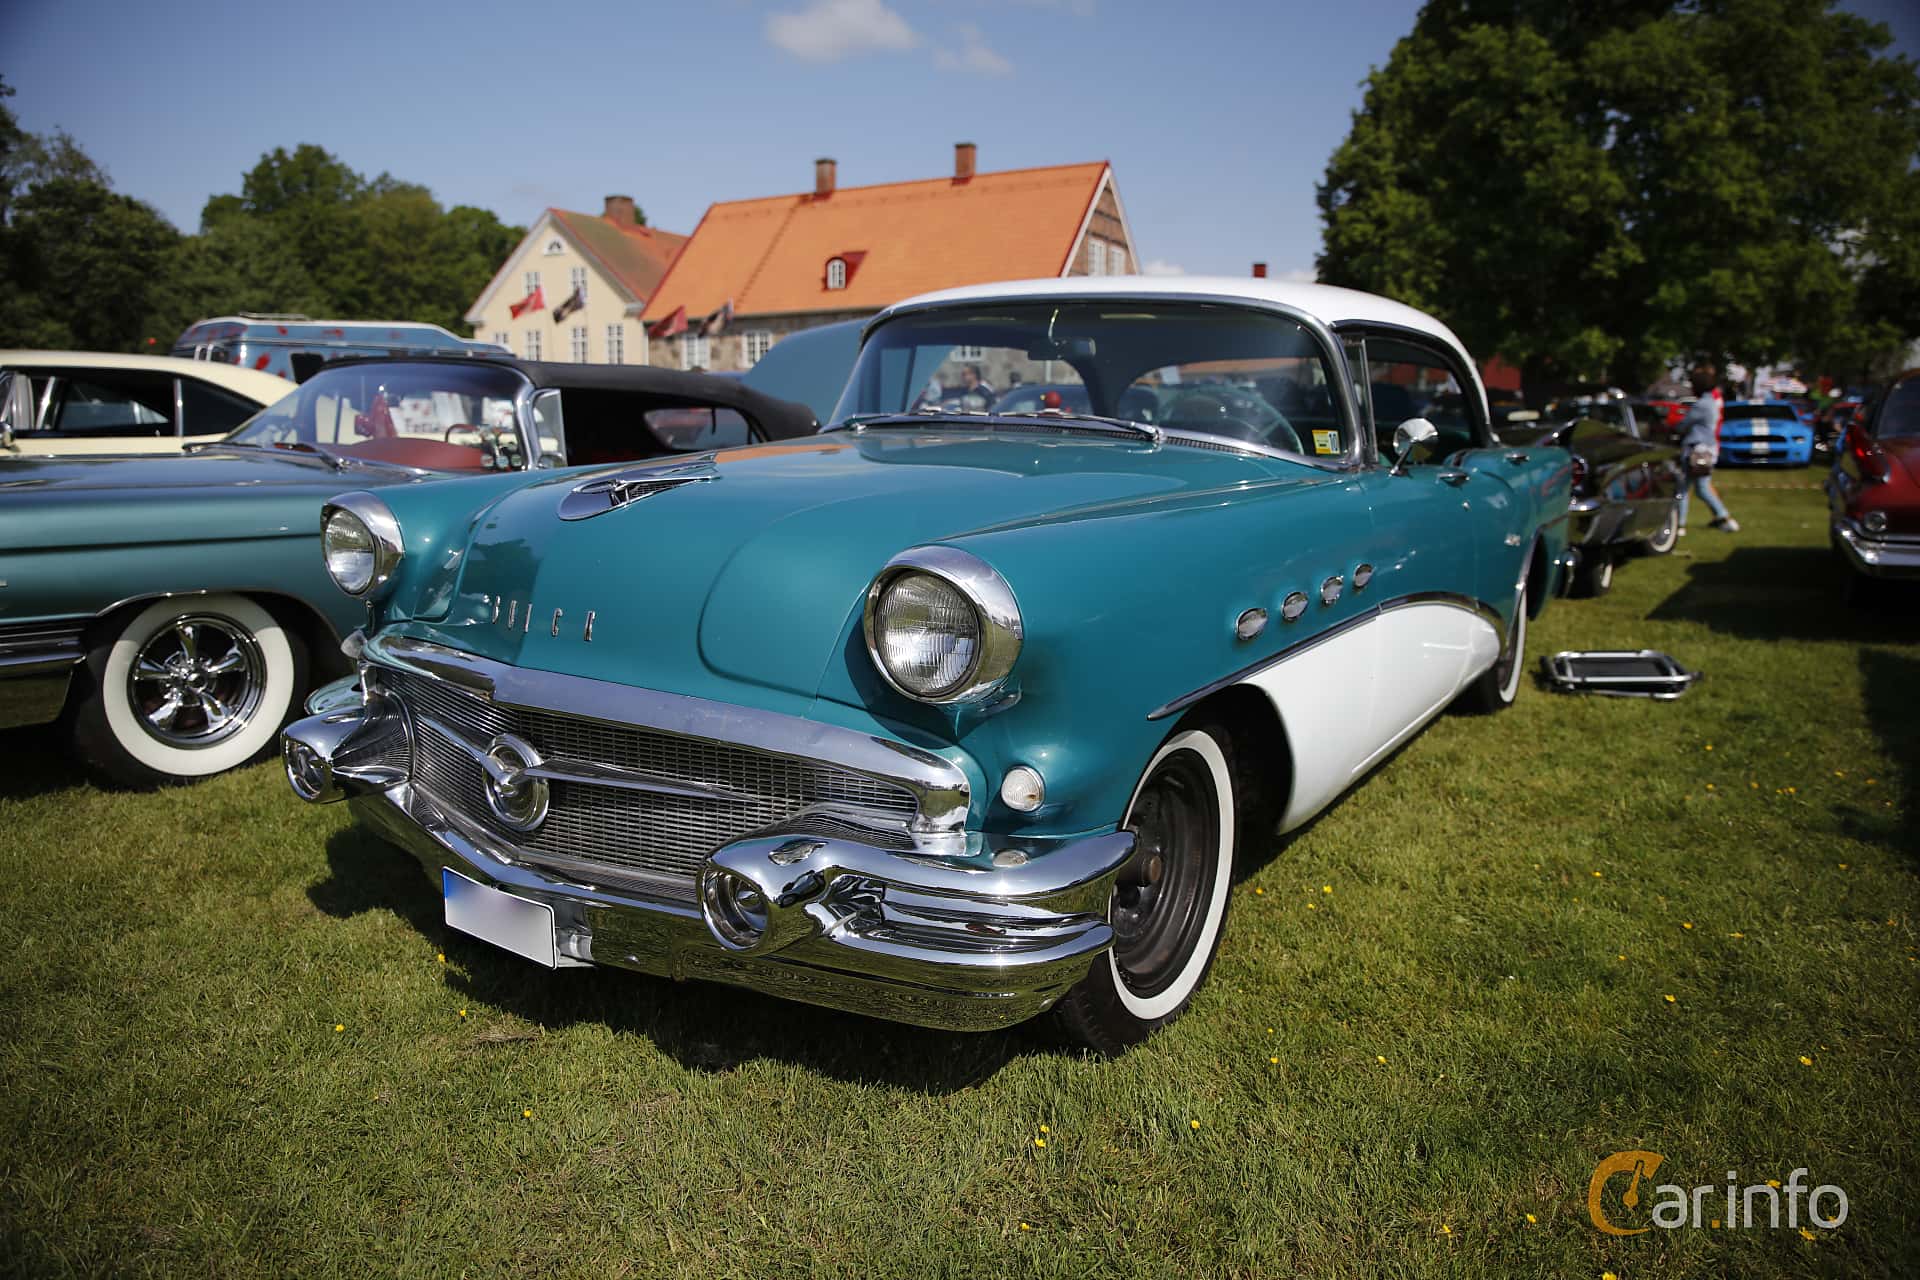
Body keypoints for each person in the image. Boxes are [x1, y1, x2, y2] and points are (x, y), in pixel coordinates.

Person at [1676, 361, 1739, 534]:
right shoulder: (1712, 401)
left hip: (1697, 449)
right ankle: (1724, 517)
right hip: (1709, 448)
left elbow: (1683, 425)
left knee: (1683, 487)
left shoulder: (1702, 404)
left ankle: (1679, 524)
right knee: (1701, 488)